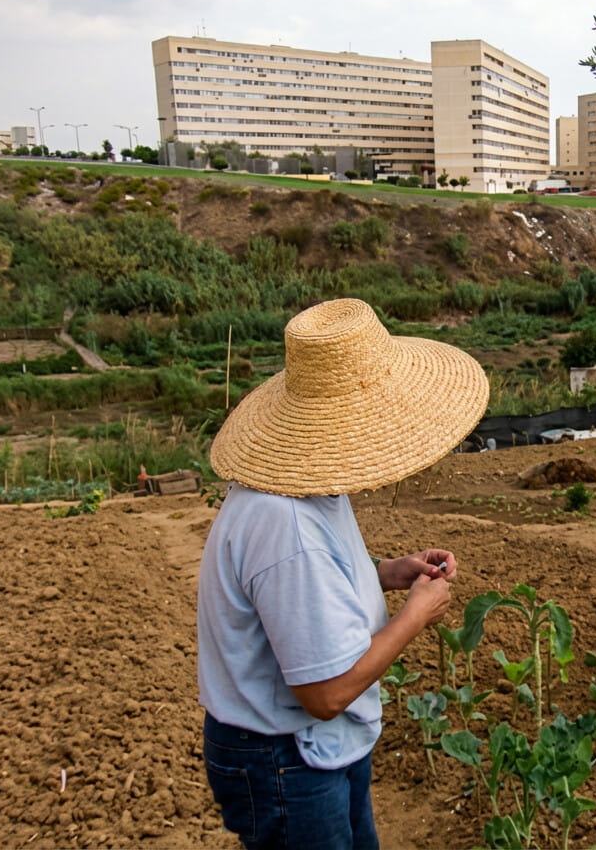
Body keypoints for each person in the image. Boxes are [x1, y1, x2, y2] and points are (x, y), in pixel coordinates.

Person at [197, 298, 489, 850]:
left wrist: (388, 572)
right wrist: (414, 617)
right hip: (286, 759)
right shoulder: (286, 527)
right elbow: (327, 693)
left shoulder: (303, 483)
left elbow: (301, 592)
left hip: (306, 747)